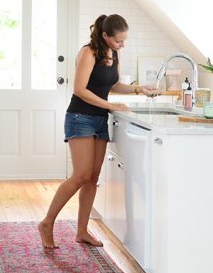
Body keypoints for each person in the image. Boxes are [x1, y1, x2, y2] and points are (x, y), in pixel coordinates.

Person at [39, 14, 154, 249]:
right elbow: (80, 90)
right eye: (118, 41)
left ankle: (82, 231)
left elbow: (112, 85)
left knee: (93, 177)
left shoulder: (114, 54)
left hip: (99, 119)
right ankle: (47, 223)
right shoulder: (88, 52)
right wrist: (112, 105)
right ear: (105, 35)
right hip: (80, 117)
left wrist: (138, 89)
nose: (122, 45)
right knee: (81, 175)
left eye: (124, 41)